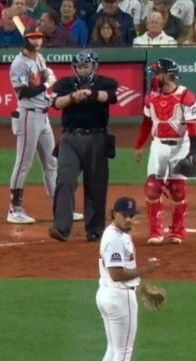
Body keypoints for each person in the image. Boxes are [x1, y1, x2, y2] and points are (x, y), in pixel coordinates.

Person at [94, 196, 160, 361]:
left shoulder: (120, 235)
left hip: (110, 294)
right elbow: (117, 274)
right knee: (123, 352)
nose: (130, 219)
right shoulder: (114, 238)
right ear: (114, 214)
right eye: (126, 215)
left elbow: (122, 273)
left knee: (113, 350)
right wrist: (147, 270)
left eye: (133, 216)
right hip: (118, 298)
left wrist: (142, 288)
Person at [49, 49, 119, 242]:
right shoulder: (65, 84)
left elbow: (111, 96)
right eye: (78, 66)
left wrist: (92, 94)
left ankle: (95, 229)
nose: (81, 70)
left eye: (85, 66)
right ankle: (61, 227)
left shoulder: (105, 82)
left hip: (96, 138)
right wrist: (73, 97)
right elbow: (56, 103)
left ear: (94, 66)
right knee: (65, 180)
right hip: (70, 138)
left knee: (96, 185)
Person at [133, 59, 196, 245]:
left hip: (182, 145)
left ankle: (178, 230)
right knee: (152, 188)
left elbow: (193, 125)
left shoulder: (186, 96)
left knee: (178, 190)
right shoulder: (151, 97)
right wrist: (139, 145)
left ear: (167, 75)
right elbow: (147, 123)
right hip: (159, 145)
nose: (153, 78)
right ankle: (155, 231)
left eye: (156, 74)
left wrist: (193, 151)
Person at [7, 27, 59, 224]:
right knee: (23, 163)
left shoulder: (38, 58)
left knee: (52, 162)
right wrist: (47, 84)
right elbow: (23, 93)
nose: (37, 42)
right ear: (26, 41)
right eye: (33, 39)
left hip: (44, 117)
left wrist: (48, 80)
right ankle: (14, 209)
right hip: (28, 116)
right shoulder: (19, 64)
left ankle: (59, 207)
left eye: (39, 38)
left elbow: (45, 76)